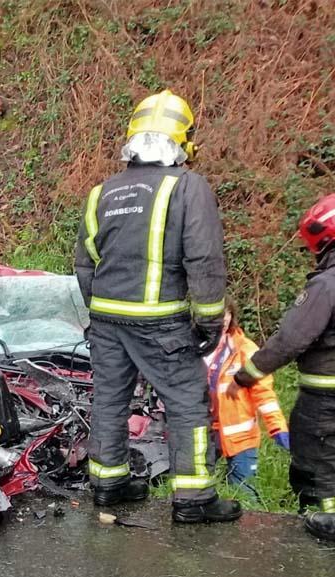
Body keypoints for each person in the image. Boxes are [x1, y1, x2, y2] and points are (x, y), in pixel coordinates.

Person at [74, 89, 241, 523]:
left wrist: (102, 309)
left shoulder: (101, 192)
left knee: (110, 399)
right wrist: (208, 320)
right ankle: (195, 500)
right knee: (186, 402)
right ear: (184, 142)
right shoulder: (187, 186)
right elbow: (203, 258)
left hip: (107, 320)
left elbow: (85, 262)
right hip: (161, 323)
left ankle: (108, 484)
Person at [230, 194, 335, 541]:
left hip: (325, 401)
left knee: (319, 470)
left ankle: (324, 533)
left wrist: (247, 374)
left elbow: (291, 340)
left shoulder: (326, 286)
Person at [204, 303, 289, 496]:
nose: (223, 319)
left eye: (226, 314)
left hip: (240, 436)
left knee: (244, 494)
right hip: (204, 432)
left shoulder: (245, 350)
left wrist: (277, 426)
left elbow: (264, 393)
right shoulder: (195, 349)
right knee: (199, 493)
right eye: (217, 314)